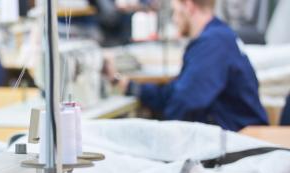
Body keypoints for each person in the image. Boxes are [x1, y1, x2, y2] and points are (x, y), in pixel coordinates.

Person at [104, 0, 268, 131]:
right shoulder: (216, 37)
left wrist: (159, 135)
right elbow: (174, 92)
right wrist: (124, 83)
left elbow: (184, 103)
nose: (174, 19)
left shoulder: (213, 43)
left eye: (175, 11)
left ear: (188, 6)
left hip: (238, 144)